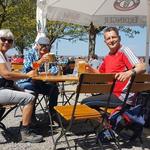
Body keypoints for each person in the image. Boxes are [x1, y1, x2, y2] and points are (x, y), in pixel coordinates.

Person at [81, 27, 146, 108]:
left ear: (119, 38)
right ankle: (107, 119)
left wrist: (129, 73)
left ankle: (107, 119)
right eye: (108, 38)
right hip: (112, 94)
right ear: (105, 42)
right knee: (88, 101)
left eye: (114, 37)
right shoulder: (107, 57)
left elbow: (142, 67)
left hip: (123, 98)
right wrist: (89, 68)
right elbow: (100, 74)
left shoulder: (124, 51)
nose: (111, 40)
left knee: (85, 102)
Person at [0, 29, 43, 143]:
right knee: (30, 98)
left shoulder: (5, 56)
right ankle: (25, 132)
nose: (6, 43)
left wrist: (20, 88)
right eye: (3, 39)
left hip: (4, 88)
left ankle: (29, 121)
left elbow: (9, 78)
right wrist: (26, 75)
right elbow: (6, 74)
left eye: (9, 41)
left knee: (30, 92)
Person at [16, 36, 59, 122]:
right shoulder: (30, 53)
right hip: (26, 82)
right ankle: (31, 117)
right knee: (33, 90)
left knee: (54, 89)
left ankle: (52, 113)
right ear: (37, 45)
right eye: (42, 45)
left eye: (47, 46)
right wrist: (40, 61)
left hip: (40, 82)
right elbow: (28, 68)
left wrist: (42, 73)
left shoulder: (50, 55)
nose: (45, 48)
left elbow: (55, 69)